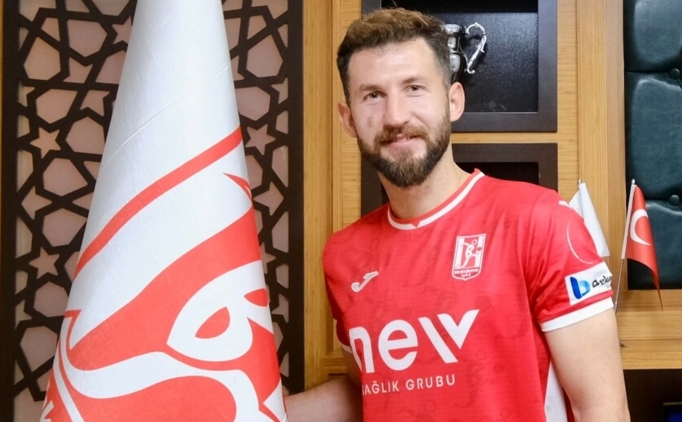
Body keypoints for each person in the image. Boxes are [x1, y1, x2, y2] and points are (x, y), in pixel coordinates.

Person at [286, 7, 630, 422]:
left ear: (453, 101)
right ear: (349, 119)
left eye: (414, 88)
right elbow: (376, 389)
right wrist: (262, 412)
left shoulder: (540, 222)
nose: (395, 116)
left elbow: (602, 408)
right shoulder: (343, 255)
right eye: (373, 95)